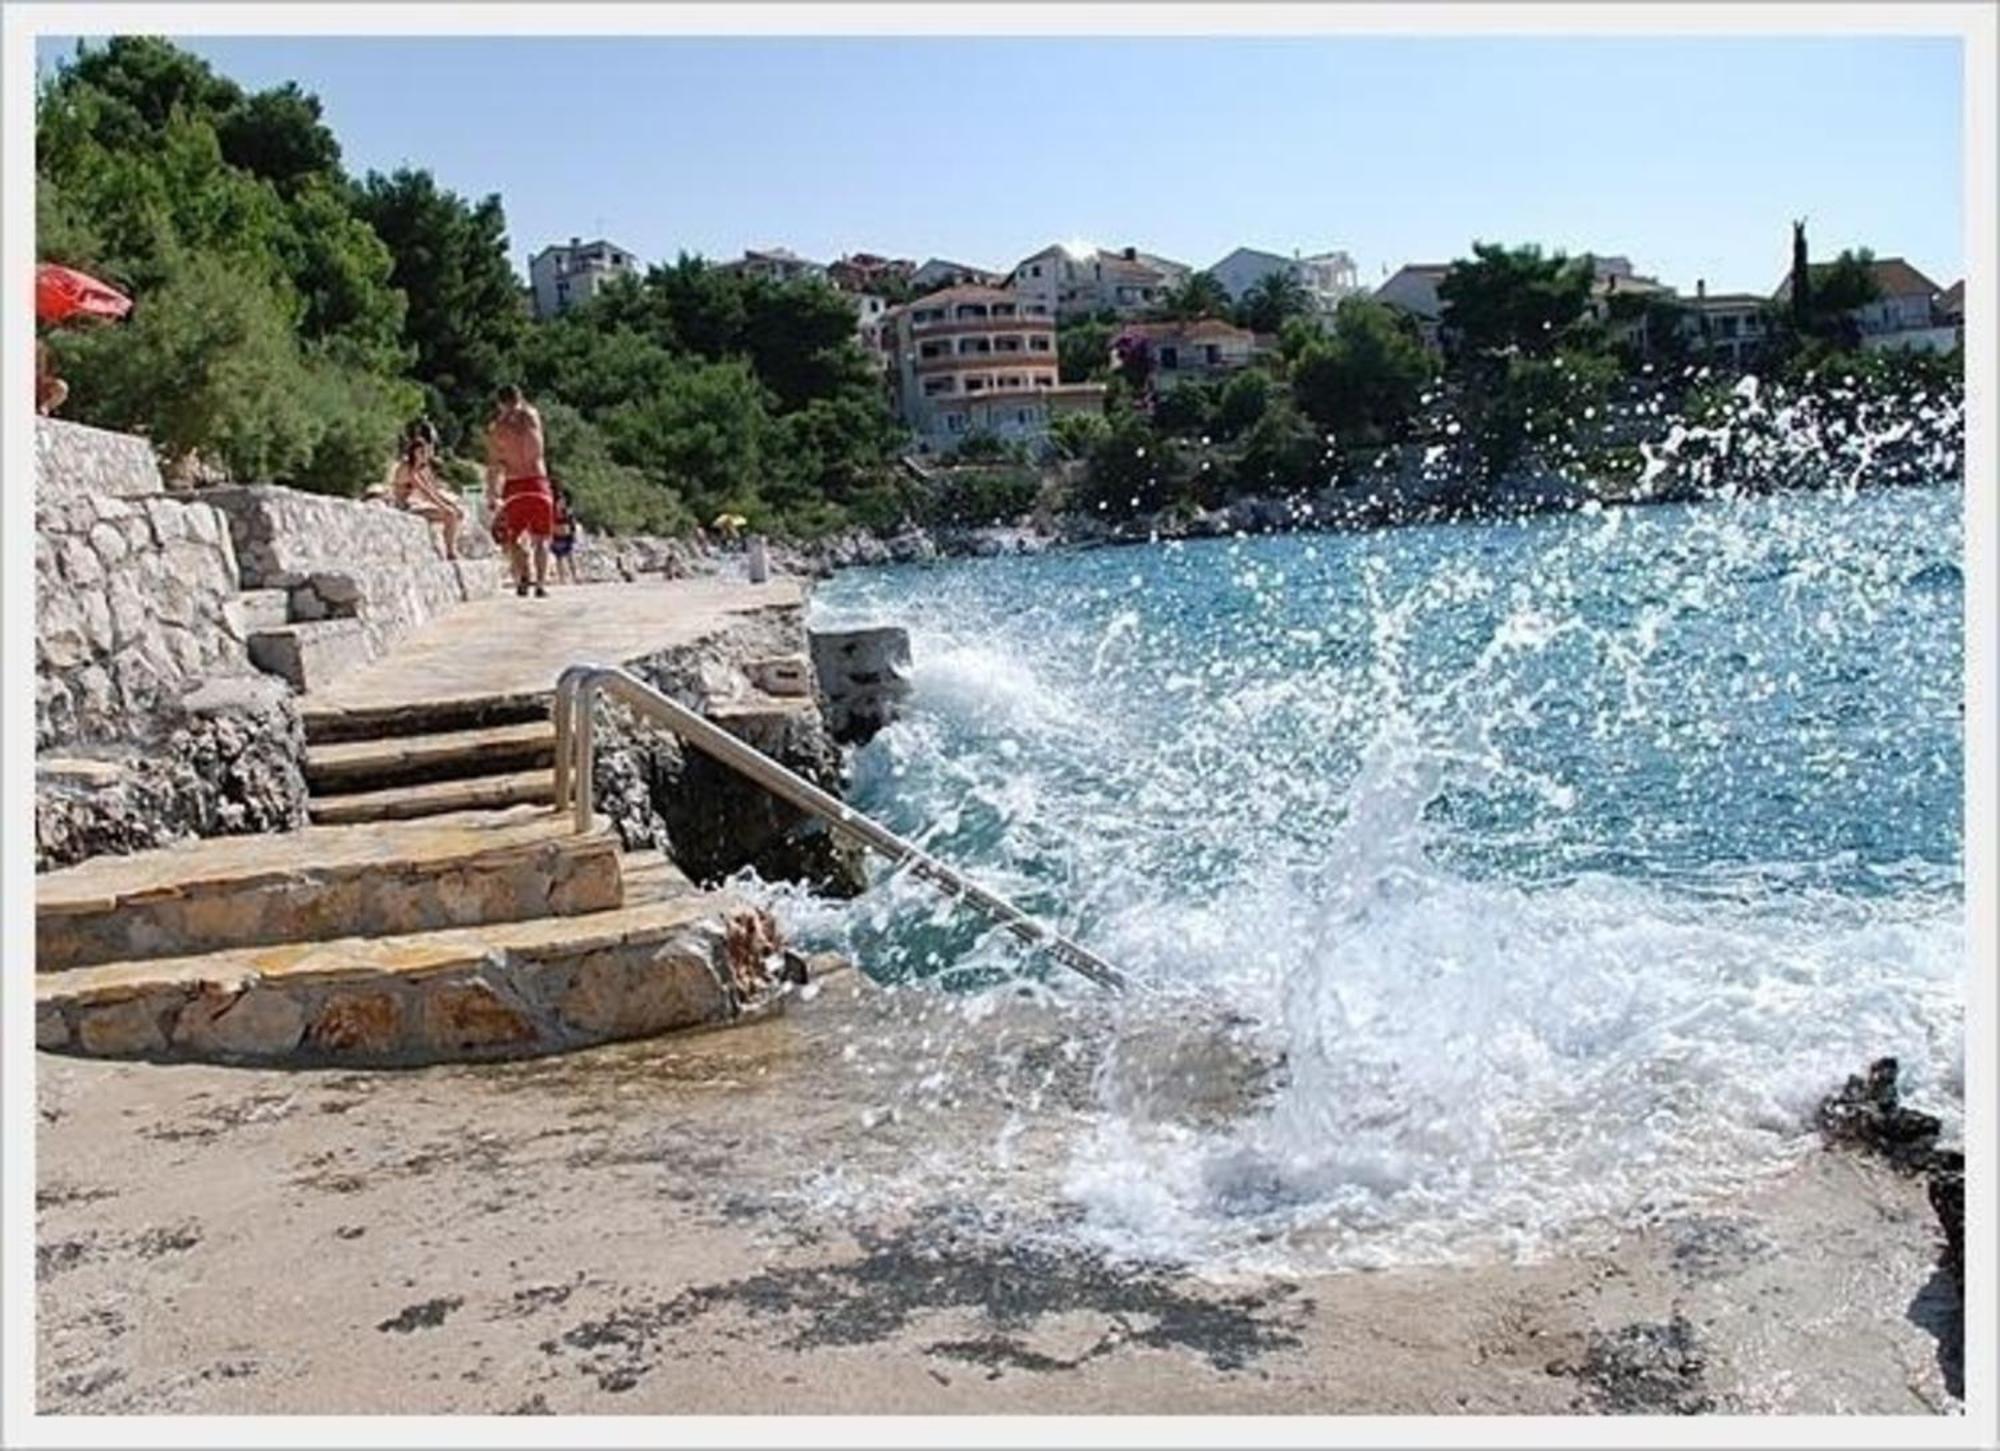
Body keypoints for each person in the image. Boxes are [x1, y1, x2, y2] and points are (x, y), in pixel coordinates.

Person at [484, 385, 555, 598]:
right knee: (541, 538)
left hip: (514, 485)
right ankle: (541, 584)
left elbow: (494, 466)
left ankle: (523, 576)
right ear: (520, 398)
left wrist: (491, 493)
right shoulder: (532, 417)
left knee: (513, 538)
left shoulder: (496, 429)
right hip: (538, 482)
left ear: (499, 403)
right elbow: (524, 413)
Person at [387, 423, 464, 560]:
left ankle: (451, 548)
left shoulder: (422, 469)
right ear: (414, 452)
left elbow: (432, 490)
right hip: (403, 508)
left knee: (455, 513)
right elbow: (425, 493)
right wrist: (445, 508)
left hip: (413, 504)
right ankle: (450, 551)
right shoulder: (408, 469)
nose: (425, 455)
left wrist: (449, 505)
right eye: (422, 452)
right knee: (450, 515)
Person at [549, 484, 581, 585]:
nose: (561, 502)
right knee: (559, 558)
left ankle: (576, 576)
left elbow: (572, 524)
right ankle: (562, 578)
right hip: (556, 536)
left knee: (571, 556)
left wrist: (574, 533)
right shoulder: (552, 511)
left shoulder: (568, 512)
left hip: (567, 536)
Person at [36, 337, 68, 417]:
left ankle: (44, 407)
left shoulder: (46, 351)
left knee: (61, 387)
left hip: (41, 383)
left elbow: (49, 372)